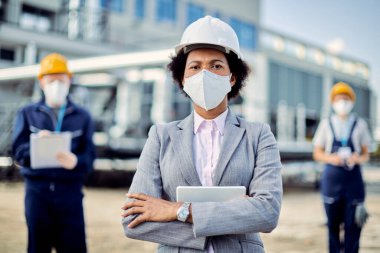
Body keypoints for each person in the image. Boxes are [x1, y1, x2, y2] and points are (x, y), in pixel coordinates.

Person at [121, 16, 282, 253]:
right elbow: (133, 222)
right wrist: (226, 223)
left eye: (216, 66)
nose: (204, 74)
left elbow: (267, 212)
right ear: (183, 79)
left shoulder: (258, 136)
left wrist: (178, 210)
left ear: (232, 77)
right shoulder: (161, 136)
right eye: (195, 67)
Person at [12, 53, 96, 253]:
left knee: (74, 247)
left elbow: (90, 156)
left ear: (70, 80)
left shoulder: (83, 116)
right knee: (38, 246)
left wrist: (76, 161)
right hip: (37, 192)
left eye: (61, 80)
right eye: (51, 80)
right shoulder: (27, 113)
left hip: (70, 193)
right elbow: (16, 152)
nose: (56, 85)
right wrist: (35, 147)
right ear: (41, 82)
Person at [313, 82, 371, 253]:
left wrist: (357, 158)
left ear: (352, 101)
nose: (342, 102)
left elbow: (366, 153)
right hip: (332, 182)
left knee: (353, 226)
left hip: (354, 184)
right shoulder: (326, 124)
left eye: (346, 99)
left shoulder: (360, 125)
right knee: (332, 227)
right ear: (333, 102)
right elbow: (317, 153)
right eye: (339, 99)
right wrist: (332, 158)